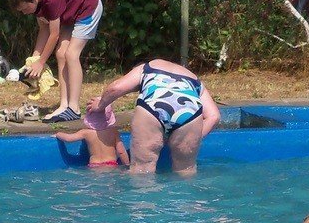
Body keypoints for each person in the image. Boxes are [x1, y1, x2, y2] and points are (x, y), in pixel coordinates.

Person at [88, 59, 220, 176]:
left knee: (142, 170)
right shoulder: (194, 79)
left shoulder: (146, 68)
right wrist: (191, 138)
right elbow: (214, 116)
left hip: (154, 106)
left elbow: (116, 88)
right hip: (190, 112)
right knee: (186, 171)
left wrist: (100, 105)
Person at [8, 0, 103, 123]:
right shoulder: (37, 2)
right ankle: (64, 105)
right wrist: (34, 59)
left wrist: (41, 62)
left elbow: (54, 34)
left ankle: (74, 108)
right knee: (60, 54)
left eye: (25, 8)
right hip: (70, 13)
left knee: (71, 54)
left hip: (88, 8)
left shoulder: (50, 0)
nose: (24, 12)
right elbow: (44, 30)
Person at [54, 102, 130, 168]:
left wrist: (58, 134)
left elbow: (68, 139)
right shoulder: (113, 132)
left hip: (94, 166)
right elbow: (121, 151)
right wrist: (127, 166)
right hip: (111, 165)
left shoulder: (86, 133)